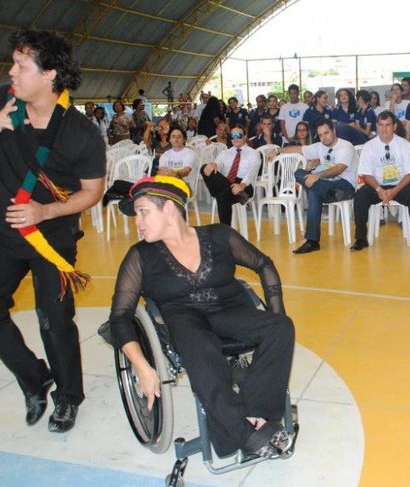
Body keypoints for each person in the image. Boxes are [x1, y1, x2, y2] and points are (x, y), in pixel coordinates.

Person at [0, 29, 106, 433]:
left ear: (50, 73)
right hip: (3, 232)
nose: (12, 71)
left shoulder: (81, 133)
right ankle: (35, 378)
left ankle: (68, 397)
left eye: (22, 65)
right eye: (13, 62)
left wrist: (46, 209)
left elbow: (93, 192)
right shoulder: (4, 100)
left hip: (52, 237)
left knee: (54, 318)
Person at [109, 176, 294, 458]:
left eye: (143, 211)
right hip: (184, 320)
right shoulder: (140, 256)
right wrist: (143, 366)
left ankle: (256, 414)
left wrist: (275, 311)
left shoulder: (219, 235)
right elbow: (120, 317)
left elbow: (264, 264)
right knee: (203, 352)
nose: (138, 221)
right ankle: (244, 434)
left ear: (170, 209)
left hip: (229, 311)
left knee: (281, 327)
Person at [351, 111, 410, 253]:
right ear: (377, 126)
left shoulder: (405, 145)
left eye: (388, 125)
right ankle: (360, 239)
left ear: (395, 126)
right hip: (377, 186)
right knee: (360, 196)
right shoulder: (369, 146)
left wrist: (394, 190)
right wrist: (379, 190)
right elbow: (366, 174)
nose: (384, 129)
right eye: (381, 125)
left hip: (401, 185)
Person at [280, 119, 356, 254]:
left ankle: (312, 241)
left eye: (326, 133)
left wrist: (317, 175)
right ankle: (312, 241)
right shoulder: (320, 146)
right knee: (299, 173)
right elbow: (298, 149)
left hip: (344, 186)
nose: (324, 137)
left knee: (313, 190)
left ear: (334, 130)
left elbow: (339, 169)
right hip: (325, 187)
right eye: (320, 135)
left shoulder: (346, 146)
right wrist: (278, 151)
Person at [200, 128, 261, 226]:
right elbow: (218, 162)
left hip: (244, 185)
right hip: (226, 181)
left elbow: (252, 172)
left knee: (222, 194)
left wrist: (242, 185)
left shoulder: (253, 153)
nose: (235, 138)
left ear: (245, 137)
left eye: (238, 135)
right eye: (232, 136)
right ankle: (227, 232)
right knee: (204, 168)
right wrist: (213, 164)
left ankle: (225, 232)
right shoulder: (226, 152)